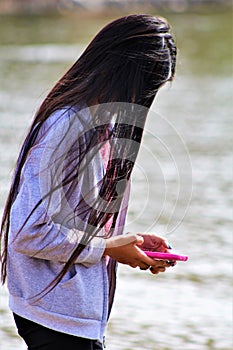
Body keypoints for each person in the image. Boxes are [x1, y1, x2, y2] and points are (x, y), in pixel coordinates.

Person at [0, 14, 177, 350]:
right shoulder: (67, 126)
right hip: (56, 321)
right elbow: (29, 232)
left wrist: (127, 244)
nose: (144, 100)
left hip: (70, 318)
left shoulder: (96, 126)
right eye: (149, 86)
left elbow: (65, 224)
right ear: (127, 75)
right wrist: (110, 247)